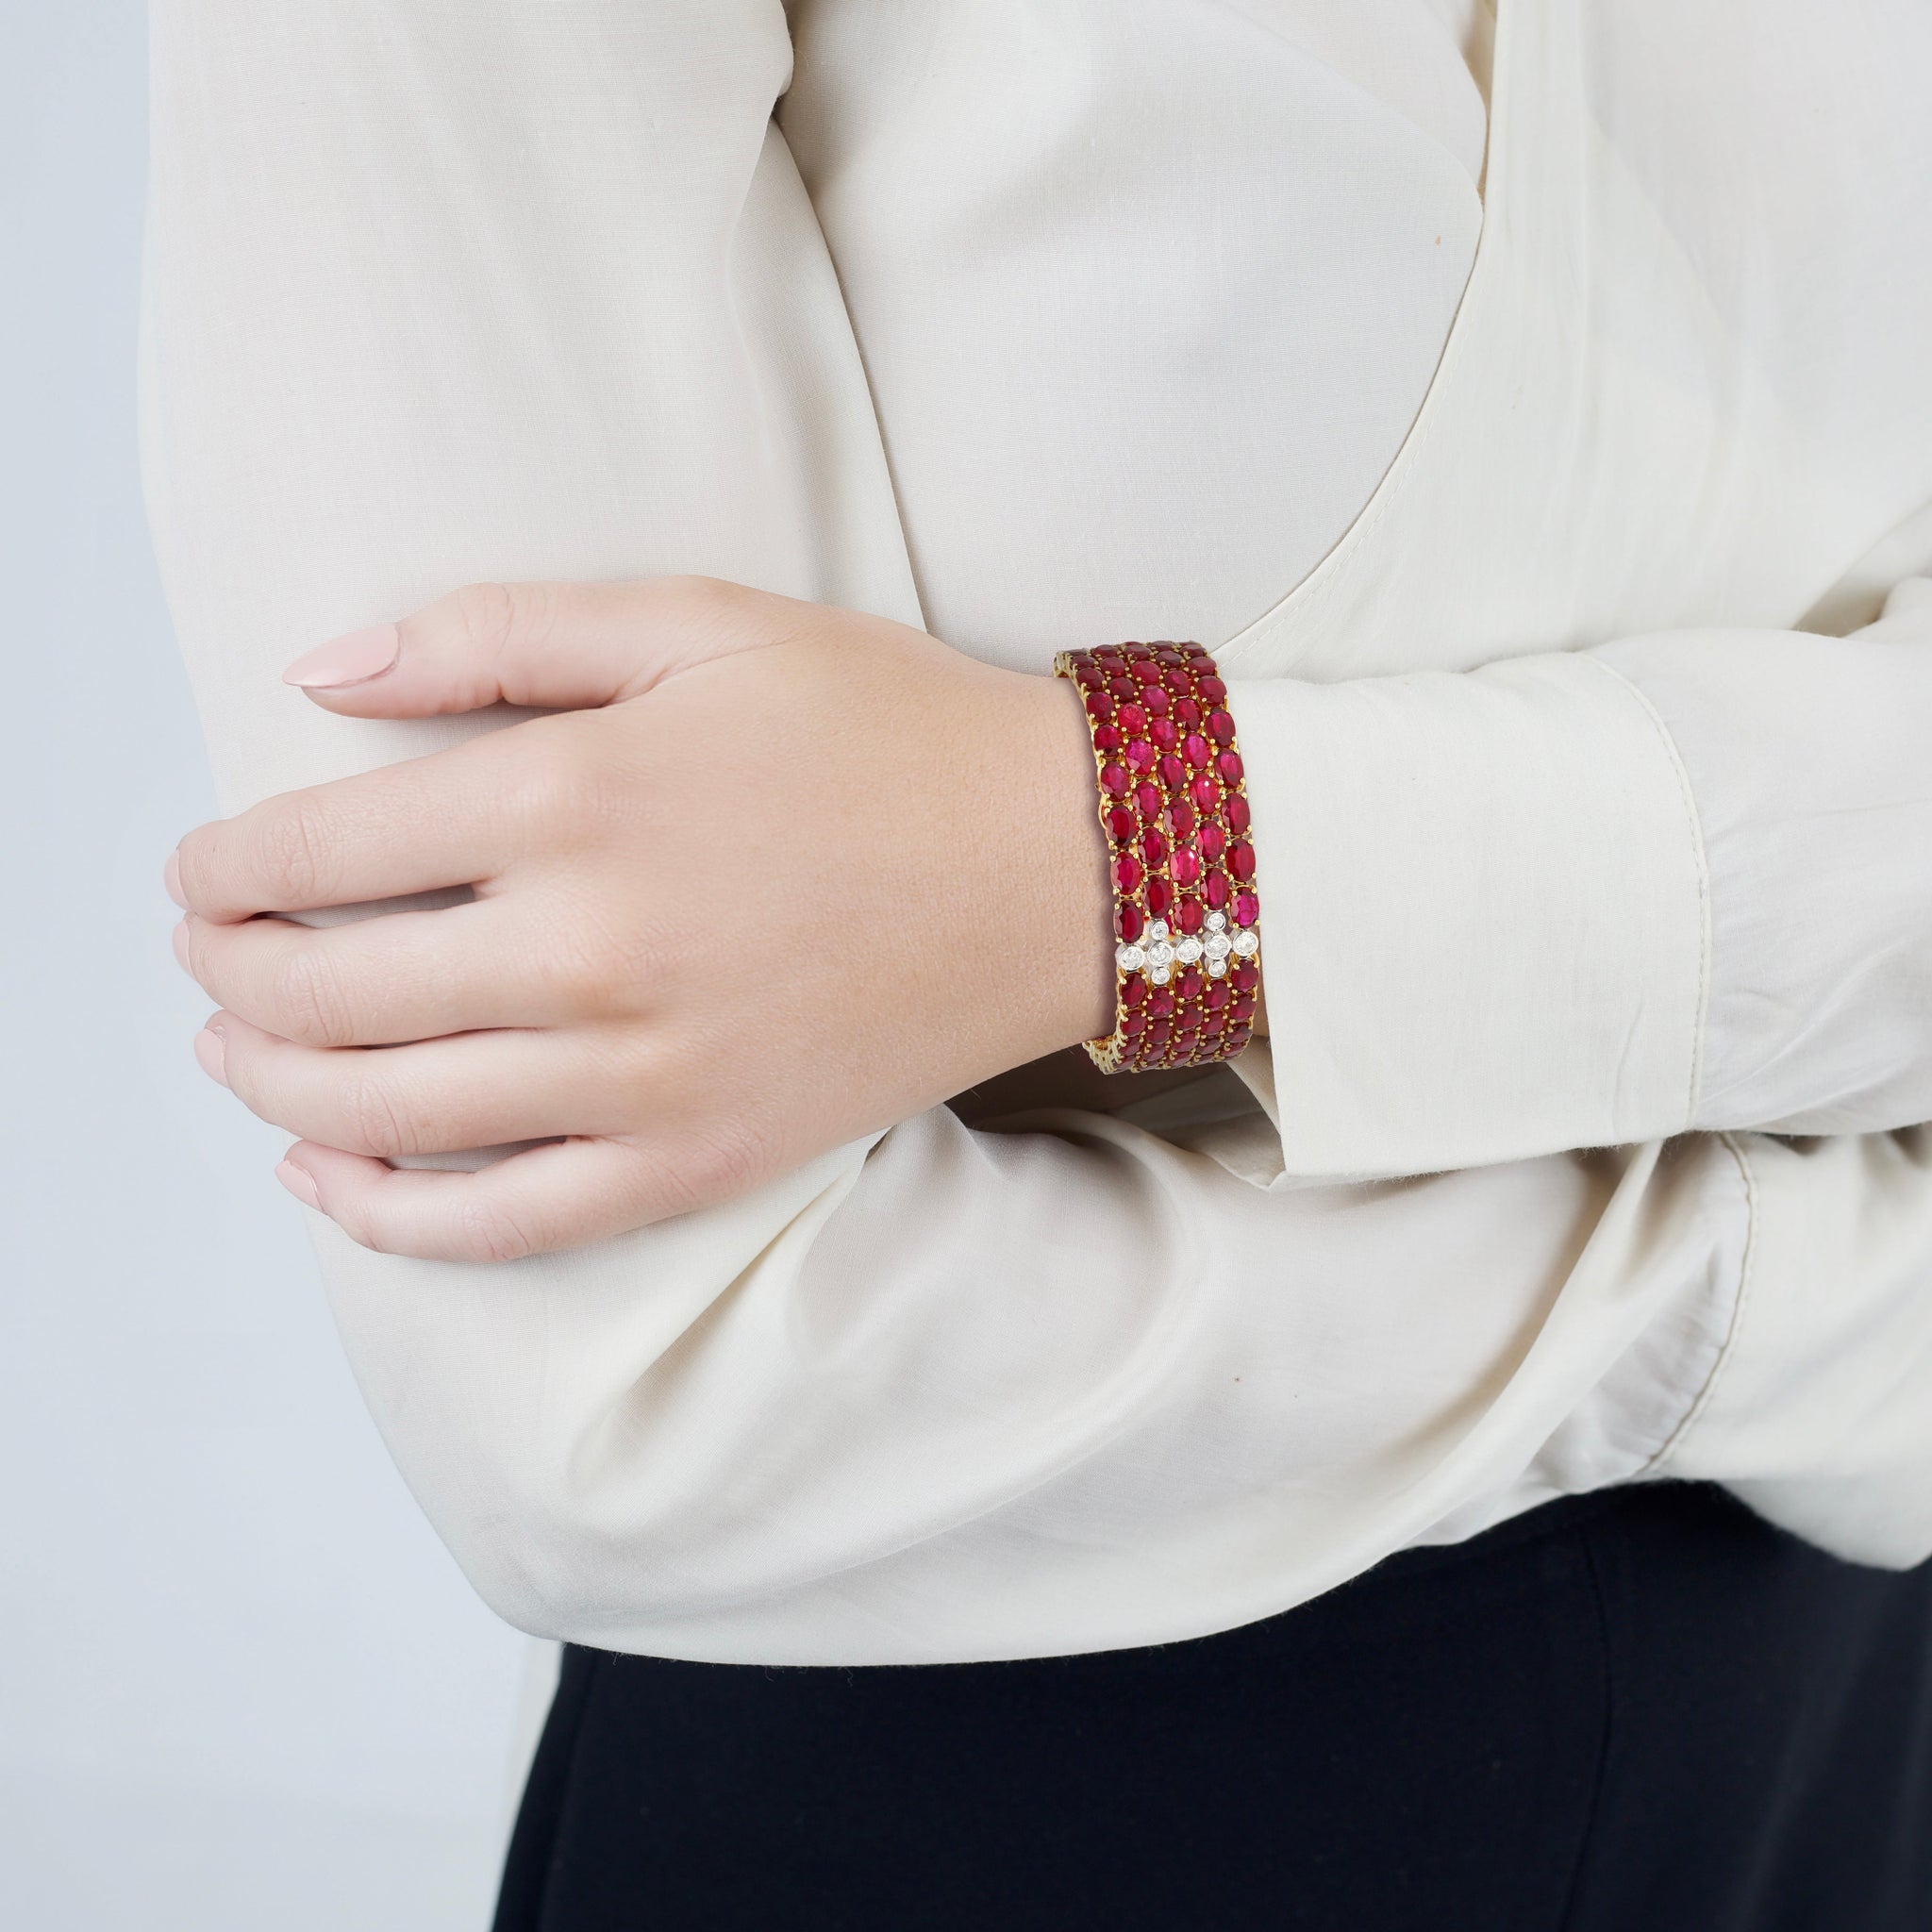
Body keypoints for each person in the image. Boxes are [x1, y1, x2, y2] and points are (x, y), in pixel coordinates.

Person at [145, 1, 1932, 1924]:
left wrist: (1113, 855)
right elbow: (628, 1405)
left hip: (1844, 1713)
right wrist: (1789, 1286)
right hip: (981, 1780)